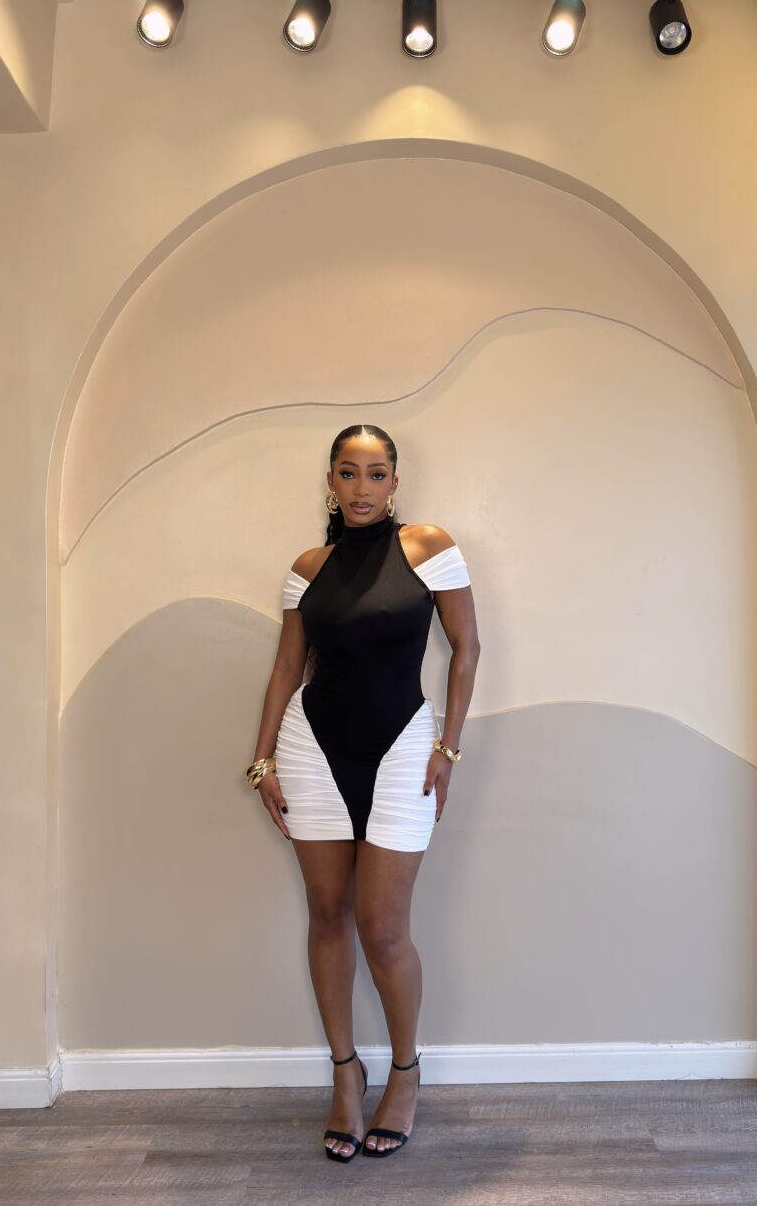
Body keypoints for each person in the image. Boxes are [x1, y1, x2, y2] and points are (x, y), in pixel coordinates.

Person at [245, 424, 480, 1160]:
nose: (362, 488)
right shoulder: (308, 567)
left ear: (395, 483)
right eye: (348, 473)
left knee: (383, 928)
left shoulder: (429, 547)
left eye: (376, 474)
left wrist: (448, 748)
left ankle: (405, 1074)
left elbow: (467, 649)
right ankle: (345, 1076)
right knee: (327, 914)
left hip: (405, 748)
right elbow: (287, 669)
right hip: (311, 750)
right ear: (331, 482)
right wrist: (262, 761)